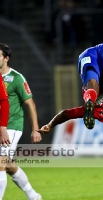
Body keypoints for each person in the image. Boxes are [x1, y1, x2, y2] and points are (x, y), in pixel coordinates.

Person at [0, 43, 42, 200]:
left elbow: (30, 104)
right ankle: (33, 196)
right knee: (9, 166)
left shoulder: (16, 78)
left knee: (1, 162)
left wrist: (35, 129)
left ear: (6, 59)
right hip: (0, 127)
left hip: (12, 126)